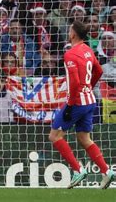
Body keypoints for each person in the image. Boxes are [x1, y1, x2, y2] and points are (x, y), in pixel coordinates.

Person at [48, 20, 114, 189]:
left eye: (70, 29)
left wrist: (69, 106)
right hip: (90, 100)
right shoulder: (88, 50)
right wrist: (89, 87)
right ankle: (106, 171)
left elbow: (76, 82)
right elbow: (99, 71)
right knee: (84, 138)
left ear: (73, 34)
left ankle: (78, 170)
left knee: (55, 136)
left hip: (77, 102)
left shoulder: (70, 54)